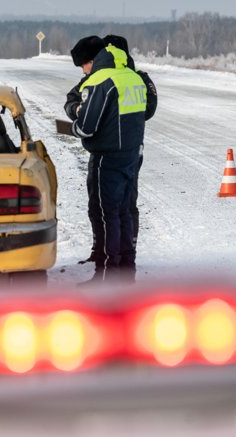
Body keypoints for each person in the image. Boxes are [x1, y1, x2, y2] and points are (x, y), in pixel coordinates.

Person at [65, 35, 157, 276]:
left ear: (94, 59)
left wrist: (73, 125)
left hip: (107, 156)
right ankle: (127, 267)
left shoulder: (103, 81)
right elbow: (147, 110)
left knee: (107, 213)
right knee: (125, 211)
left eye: (84, 65)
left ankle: (106, 271)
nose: (84, 71)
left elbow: (86, 126)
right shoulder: (135, 78)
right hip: (131, 153)